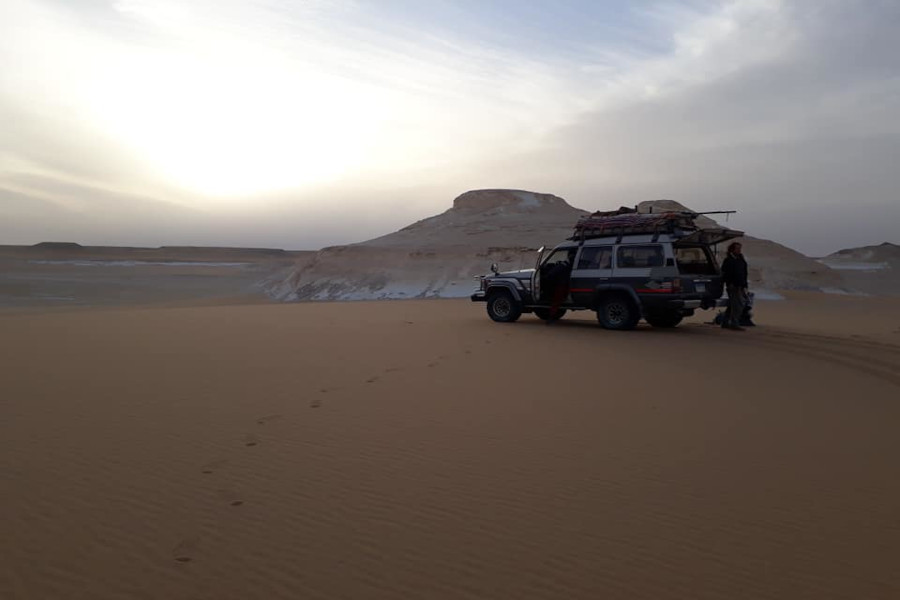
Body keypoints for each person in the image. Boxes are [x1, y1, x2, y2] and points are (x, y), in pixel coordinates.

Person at [720, 242, 749, 331]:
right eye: (737, 248)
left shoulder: (741, 259)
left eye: (740, 248)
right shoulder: (728, 260)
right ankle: (734, 323)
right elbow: (724, 273)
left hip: (740, 285)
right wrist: (729, 283)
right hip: (733, 286)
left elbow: (744, 272)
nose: (739, 250)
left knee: (733, 304)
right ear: (732, 249)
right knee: (738, 305)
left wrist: (745, 284)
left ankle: (725, 322)